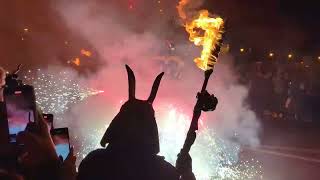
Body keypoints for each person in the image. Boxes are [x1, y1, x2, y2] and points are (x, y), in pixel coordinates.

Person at [78, 65, 196, 180]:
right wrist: (187, 174)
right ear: (151, 129)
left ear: (118, 123)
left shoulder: (95, 161)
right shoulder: (165, 172)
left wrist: (65, 167)